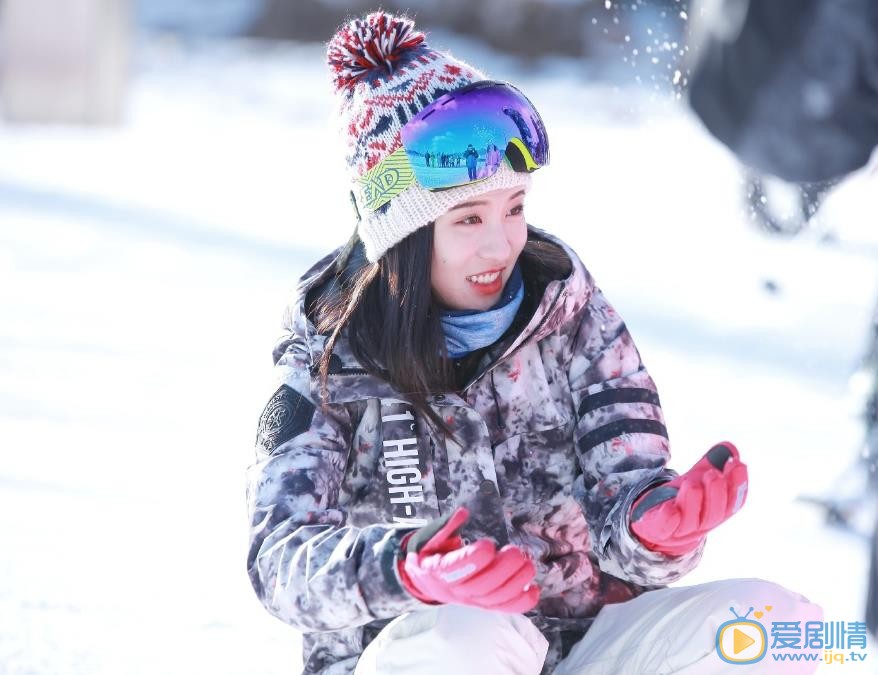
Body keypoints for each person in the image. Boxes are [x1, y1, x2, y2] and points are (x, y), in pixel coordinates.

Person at [246, 11, 822, 675]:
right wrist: (408, 566)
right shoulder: (328, 360)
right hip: (422, 655)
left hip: (578, 653)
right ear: (401, 234)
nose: (502, 244)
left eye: (514, 207)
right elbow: (279, 560)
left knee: (783, 627)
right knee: (474, 635)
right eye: (468, 218)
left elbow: (624, 498)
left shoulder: (573, 317)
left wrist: (656, 526)